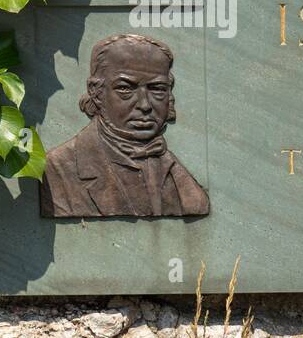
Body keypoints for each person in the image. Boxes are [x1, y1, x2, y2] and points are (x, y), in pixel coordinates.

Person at [40, 34, 209, 218]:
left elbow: (197, 207)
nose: (144, 105)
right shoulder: (57, 169)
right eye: (125, 88)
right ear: (96, 93)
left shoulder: (176, 172)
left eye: (157, 89)